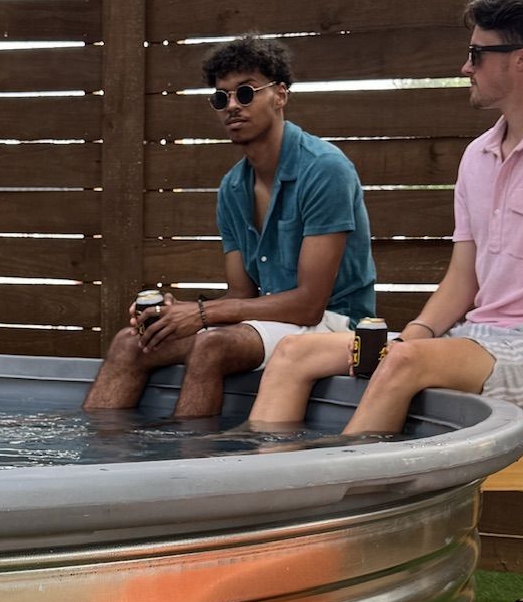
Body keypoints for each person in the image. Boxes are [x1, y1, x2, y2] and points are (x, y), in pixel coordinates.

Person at [249, 0, 523, 452]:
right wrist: (411, 336)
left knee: (404, 364)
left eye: (477, 55)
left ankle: (343, 495)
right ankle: (269, 488)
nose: (465, 67)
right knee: (294, 353)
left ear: (522, 59)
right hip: (472, 338)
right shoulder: (478, 155)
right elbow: (463, 278)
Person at [82, 34, 375, 419]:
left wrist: (201, 315)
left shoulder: (324, 169)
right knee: (130, 343)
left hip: (338, 325)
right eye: (222, 98)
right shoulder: (233, 188)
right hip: (271, 323)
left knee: (212, 346)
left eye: (246, 93)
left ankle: (190, 457)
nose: (233, 105)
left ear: (280, 95)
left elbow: (308, 306)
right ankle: (99, 455)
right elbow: (241, 294)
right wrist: (177, 312)